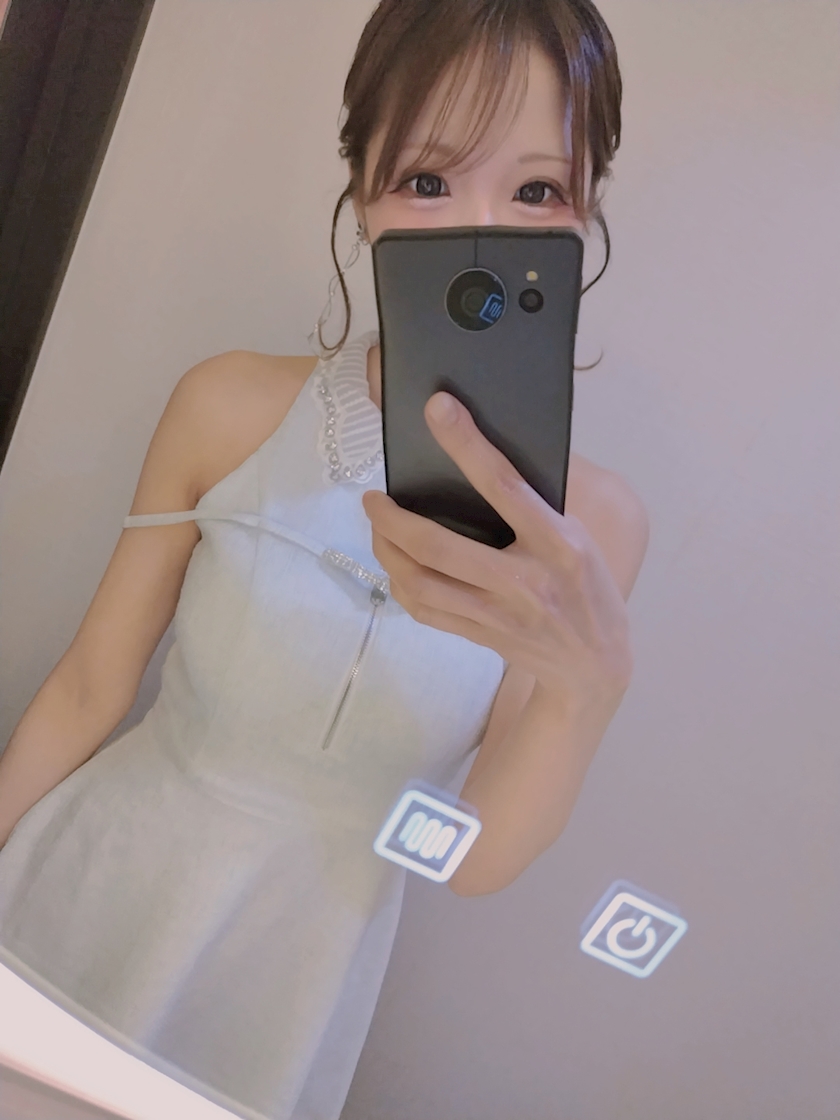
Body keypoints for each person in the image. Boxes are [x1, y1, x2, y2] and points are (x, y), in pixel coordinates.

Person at [0, 2, 649, 1118]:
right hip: (88, 890)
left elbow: (473, 860)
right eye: (429, 179)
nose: (478, 234)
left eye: (537, 191)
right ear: (361, 191)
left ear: (585, 210)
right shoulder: (226, 405)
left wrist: (591, 689)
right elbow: (90, 686)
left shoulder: (591, 528)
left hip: (287, 986)